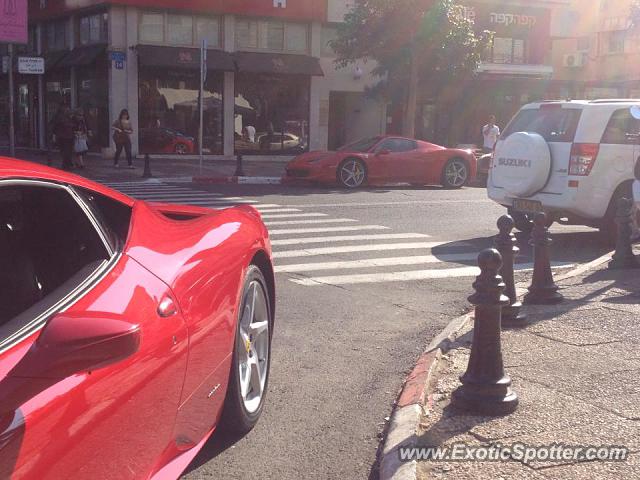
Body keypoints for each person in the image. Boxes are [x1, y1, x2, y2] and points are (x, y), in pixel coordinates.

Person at [53, 105, 75, 171]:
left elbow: (55, 127)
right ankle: (67, 164)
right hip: (65, 137)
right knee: (67, 151)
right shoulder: (63, 119)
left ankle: (67, 164)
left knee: (66, 151)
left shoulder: (62, 118)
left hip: (65, 137)